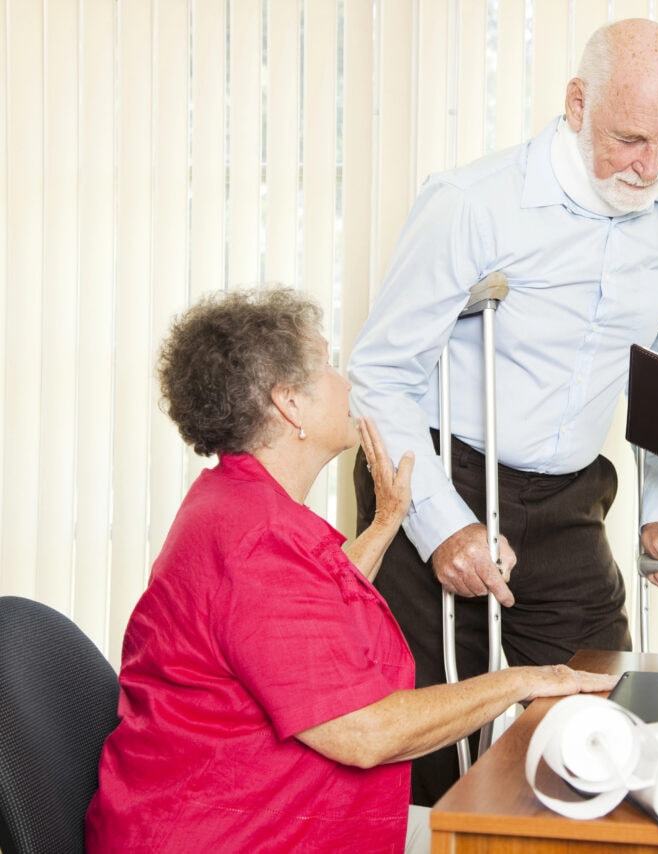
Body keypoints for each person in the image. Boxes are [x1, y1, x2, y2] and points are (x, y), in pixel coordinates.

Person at [84, 289, 617, 853]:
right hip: (229, 835)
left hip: (257, 815)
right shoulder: (255, 541)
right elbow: (366, 732)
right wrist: (528, 679)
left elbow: (304, 616)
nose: (348, 383)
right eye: (329, 366)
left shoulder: (236, 502)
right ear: (289, 403)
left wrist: (387, 522)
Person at [348, 18, 658, 805]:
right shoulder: (473, 204)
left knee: (598, 723)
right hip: (442, 472)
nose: (648, 167)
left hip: (569, 494)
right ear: (577, 103)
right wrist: (442, 524)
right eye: (629, 139)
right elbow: (379, 373)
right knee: (429, 736)